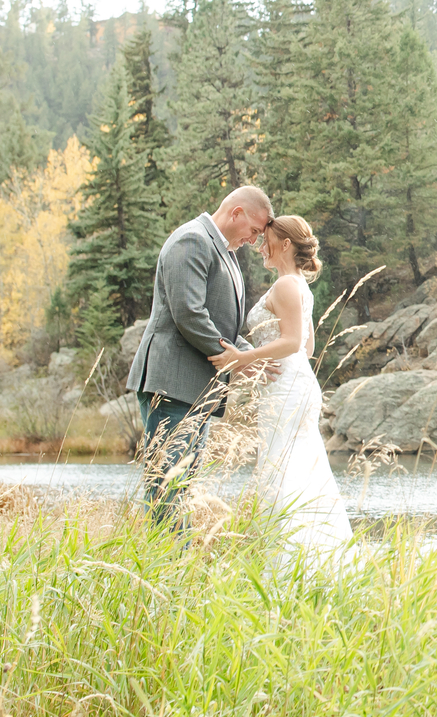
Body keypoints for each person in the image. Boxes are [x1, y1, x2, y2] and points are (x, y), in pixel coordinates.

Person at [126, 185, 271, 526]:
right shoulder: (191, 240)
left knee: (182, 486)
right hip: (172, 384)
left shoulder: (225, 253)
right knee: (166, 487)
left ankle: (174, 568)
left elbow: (222, 323)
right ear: (236, 213)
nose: (254, 240)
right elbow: (189, 313)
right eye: (253, 230)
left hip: (196, 389)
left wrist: (252, 356)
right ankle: (165, 569)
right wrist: (235, 359)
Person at [209, 214, 354, 553]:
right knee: (299, 466)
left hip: (287, 387)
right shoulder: (300, 285)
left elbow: (291, 342)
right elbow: (308, 347)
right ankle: (312, 553)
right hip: (293, 382)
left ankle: (290, 557)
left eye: (266, 240)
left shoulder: (287, 285)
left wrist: (242, 359)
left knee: (284, 467)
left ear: (285, 244)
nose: (260, 247)